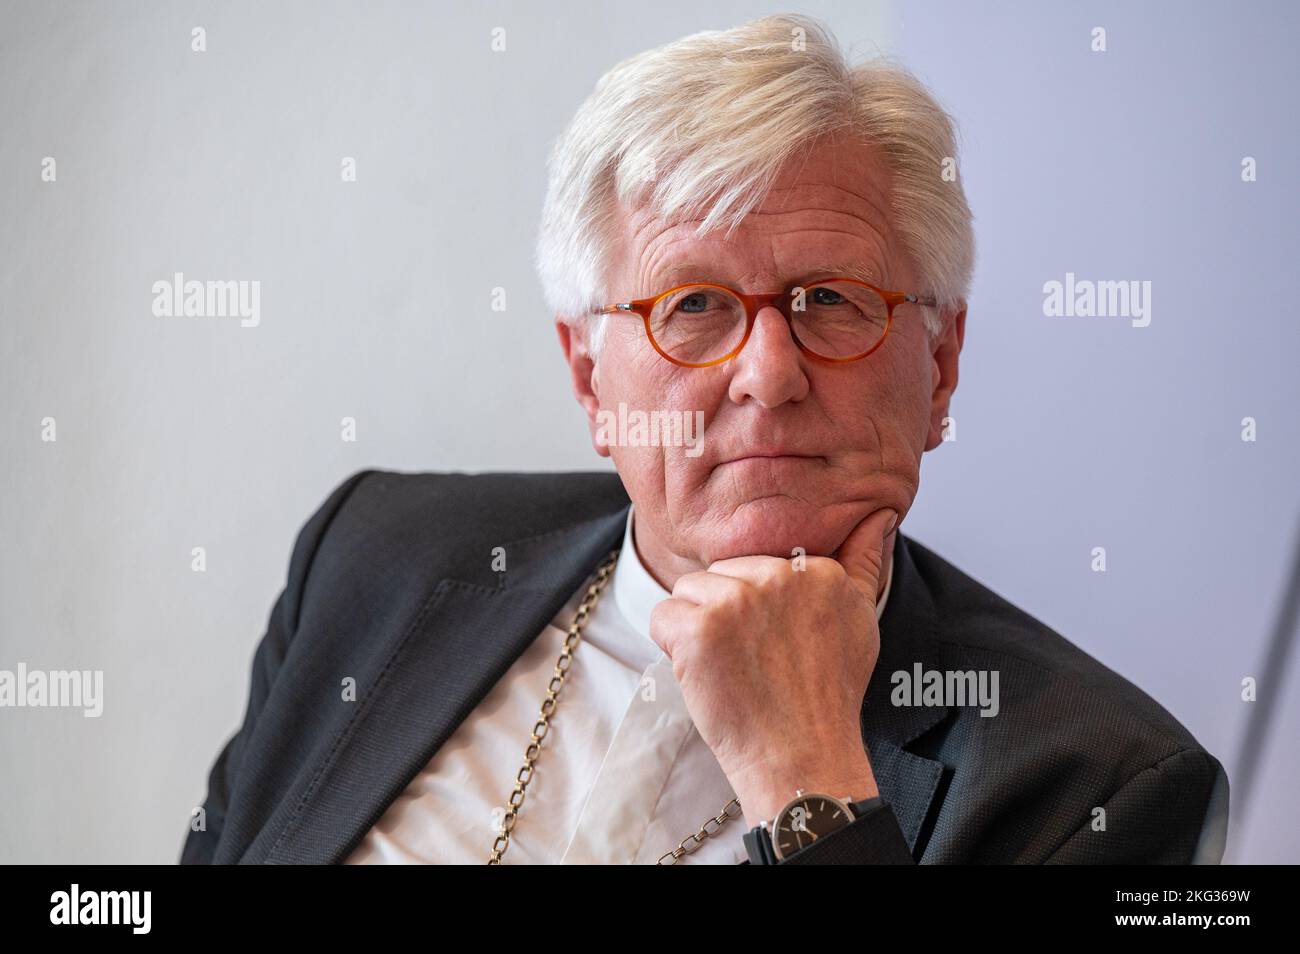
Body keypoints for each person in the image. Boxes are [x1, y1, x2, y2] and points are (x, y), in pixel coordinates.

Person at [181, 14, 1227, 865]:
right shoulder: (374, 555)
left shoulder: (1100, 787)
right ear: (590, 375)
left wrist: (807, 777)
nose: (769, 375)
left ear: (940, 363)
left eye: (830, 299)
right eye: (692, 306)